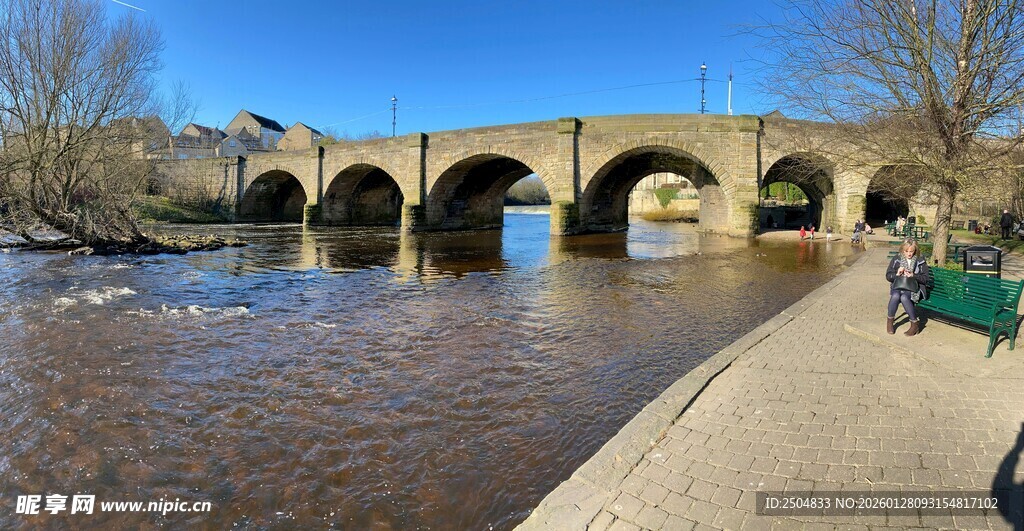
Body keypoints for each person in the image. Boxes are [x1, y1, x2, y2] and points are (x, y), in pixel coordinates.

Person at [885, 238, 931, 336]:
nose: (909, 254)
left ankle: (914, 324)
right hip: (899, 285)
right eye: (906, 251)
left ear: (915, 250)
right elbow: (888, 276)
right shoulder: (897, 259)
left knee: (904, 297)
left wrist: (914, 275)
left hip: (914, 288)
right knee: (895, 296)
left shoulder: (920, 260)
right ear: (902, 250)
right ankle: (890, 322)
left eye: (911, 251)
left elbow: (926, 278)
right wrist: (897, 274)